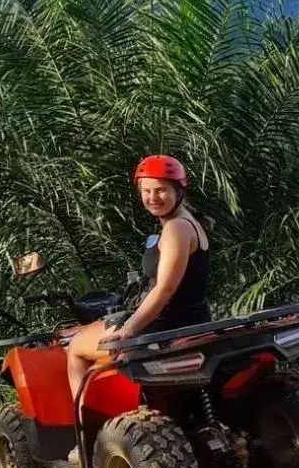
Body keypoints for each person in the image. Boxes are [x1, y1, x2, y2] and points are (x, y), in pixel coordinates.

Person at [65, 154, 212, 419]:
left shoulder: (177, 228)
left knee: (76, 346)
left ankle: (86, 433)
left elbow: (165, 289)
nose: (153, 197)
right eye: (146, 191)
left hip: (164, 324)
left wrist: (129, 329)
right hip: (192, 318)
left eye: (161, 190)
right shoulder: (191, 222)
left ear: (179, 191)